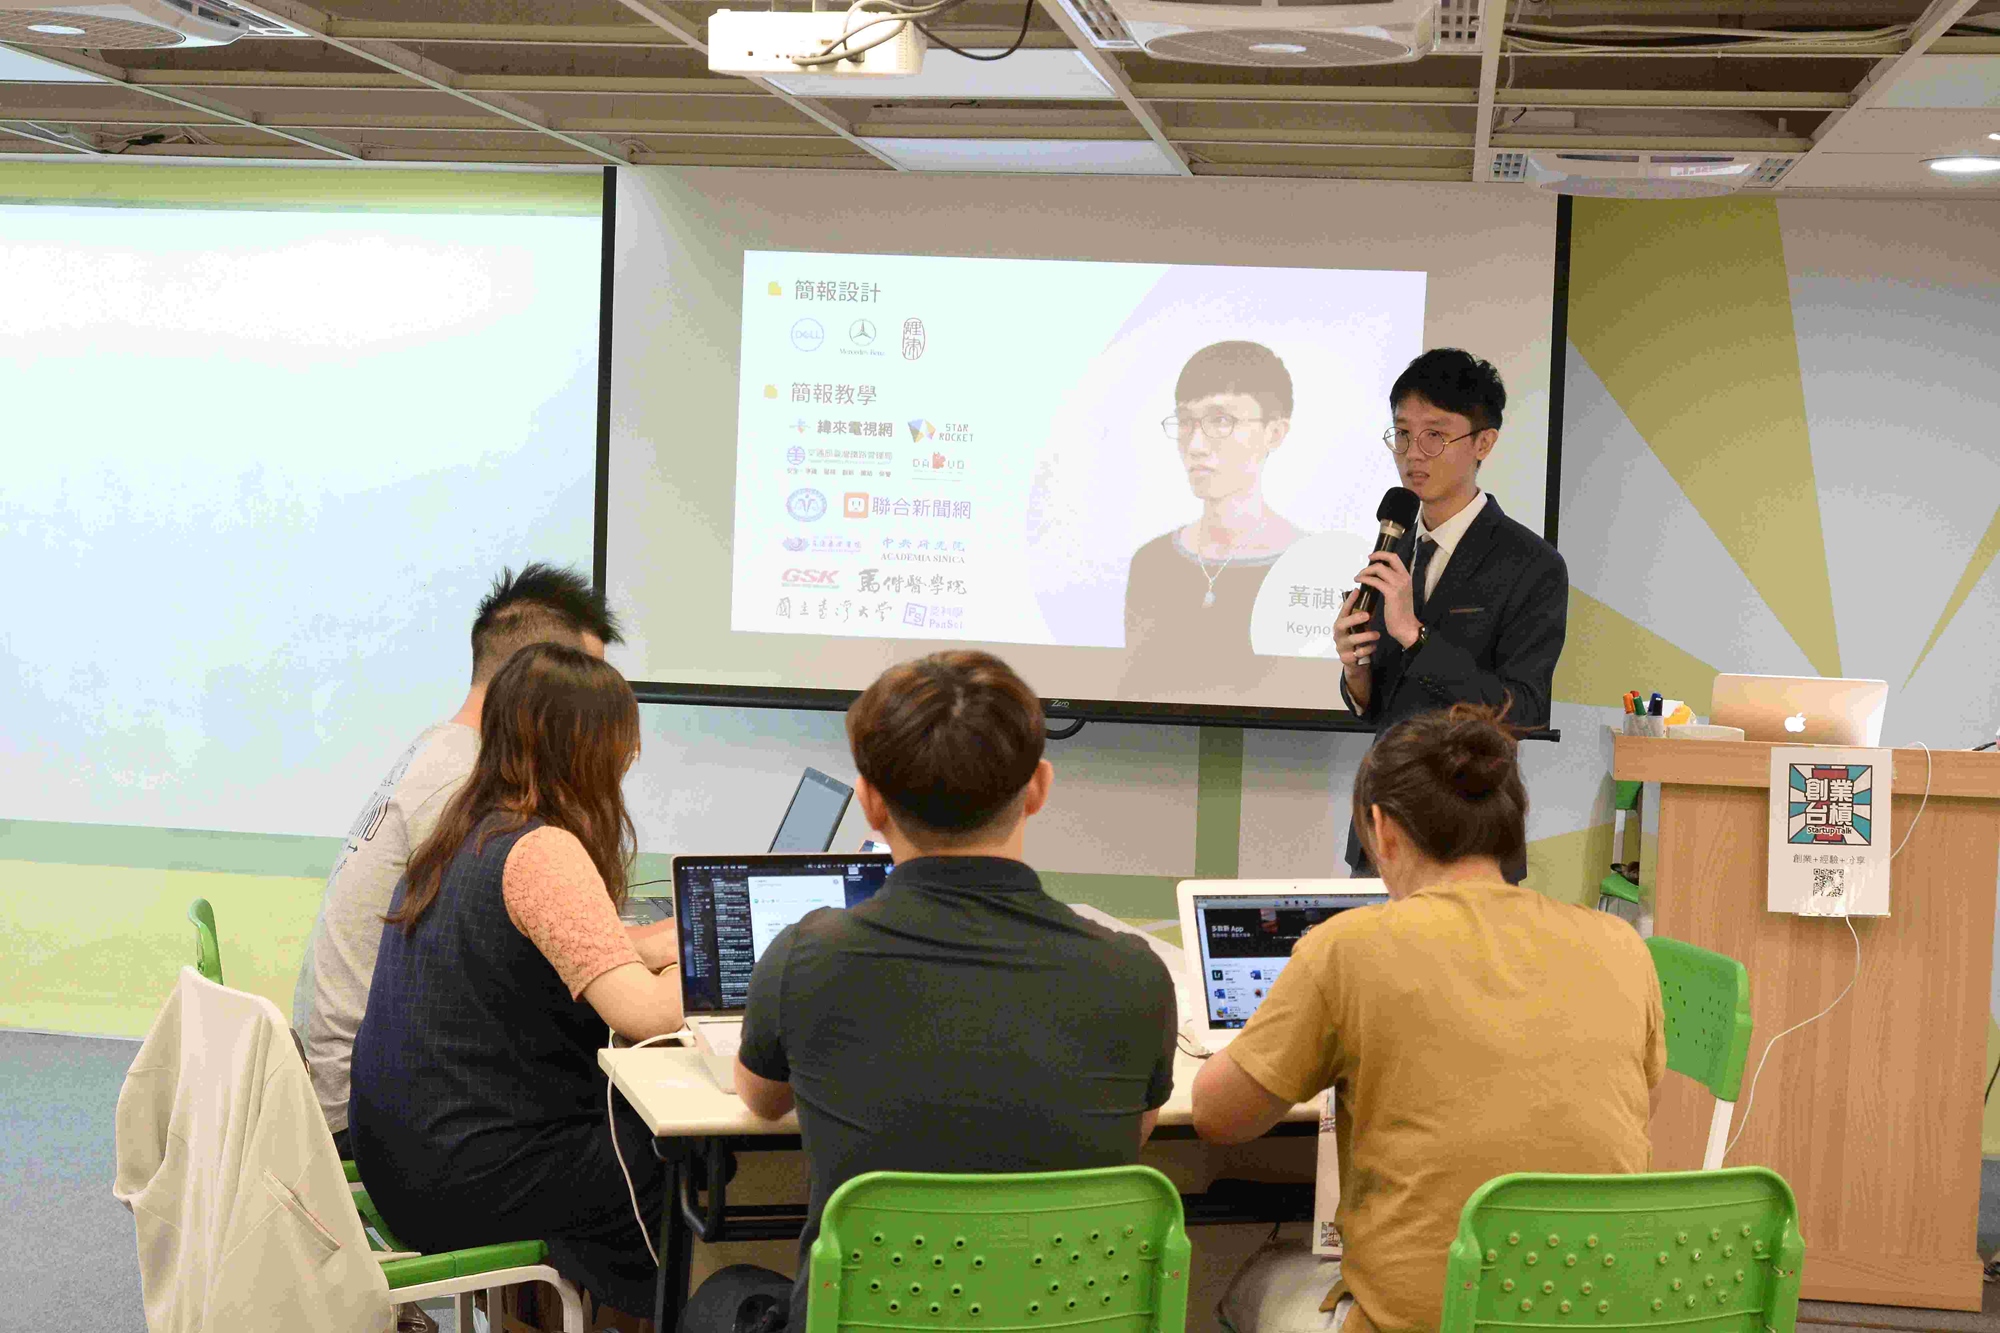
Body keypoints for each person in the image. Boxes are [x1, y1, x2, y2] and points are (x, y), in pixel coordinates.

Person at [680, 650, 1179, 1333]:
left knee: (722, 1292)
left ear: (869, 800)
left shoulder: (807, 957)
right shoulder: (1136, 973)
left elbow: (763, 1102)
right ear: (1039, 787)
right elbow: (1130, 1134)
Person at [1190, 704, 1664, 1333]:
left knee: (1254, 1277)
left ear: (1381, 828)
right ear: (1509, 827)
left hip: (1417, 1322)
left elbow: (1219, 1118)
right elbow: (1638, 1104)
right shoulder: (1619, 945)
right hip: (1593, 1315)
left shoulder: (1349, 947)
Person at [348, 643, 684, 1322]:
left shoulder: (469, 826)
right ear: (584, 748)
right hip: (467, 1178)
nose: (630, 759)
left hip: (407, 1162)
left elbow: (561, 947)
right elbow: (646, 1014)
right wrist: (710, 964)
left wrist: (656, 944)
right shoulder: (542, 849)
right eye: (622, 742)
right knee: (682, 1162)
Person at [292, 562, 625, 1157]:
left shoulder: (441, 750)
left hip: (362, 1074)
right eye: (585, 682)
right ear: (539, 682)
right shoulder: (463, 782)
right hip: (371, 1102)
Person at [1334, 349, 1567, 882]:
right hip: (1382, 831)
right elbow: (1382, 707)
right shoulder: (1395, 547)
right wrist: (1355, 670)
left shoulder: (1531, 564)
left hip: (1472, 838)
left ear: (1483, 443)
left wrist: (1416, 638)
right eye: (1402, 434)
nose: (1413, 454)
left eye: (1435, 435)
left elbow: (1526, 711)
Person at [1123, 341, 1306, 694]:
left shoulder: (1311, 563)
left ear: (1274, 433)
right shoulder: (1152, 562)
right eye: (1185, 422)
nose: (1195, 445)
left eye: (1220, 421)